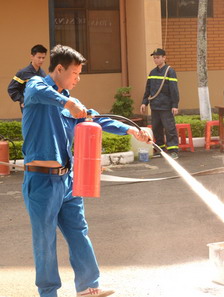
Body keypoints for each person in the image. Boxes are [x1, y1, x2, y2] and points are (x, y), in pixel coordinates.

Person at [22, 45, 151, 297]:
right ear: (59, 68)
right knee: (45, 239)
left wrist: (131, 130)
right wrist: (66, 102)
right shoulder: (36, 88)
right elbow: (39, 90)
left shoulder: (74, 103)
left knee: (79, 231)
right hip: (40, 181)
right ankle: (48, 293)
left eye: (80, 74)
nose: (78, 79)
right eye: (74, 73)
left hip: (68, 181)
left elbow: (98, 119)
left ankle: (88, 286)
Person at [140, 48, 180, 159]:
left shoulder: (170, 71)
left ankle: (173, 151)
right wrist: (144, 102)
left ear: (164, 58)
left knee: (169, 128)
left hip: (166, 106)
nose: (156, 60)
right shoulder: (152, 72)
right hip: (155, 105)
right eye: (154, 58)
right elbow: (148, 89)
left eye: (158, 57)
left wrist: (175, 105)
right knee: (156, 128)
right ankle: (160, 149)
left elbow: (174, 90)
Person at [7, 44, 47, 113]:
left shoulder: (43, 73)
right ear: (32, 57)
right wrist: (22, 100)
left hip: (41, 108)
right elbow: (11, 88)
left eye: (43, 58)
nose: (41, 60)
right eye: (39, 57)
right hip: (28, 108)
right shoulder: (23, 73)